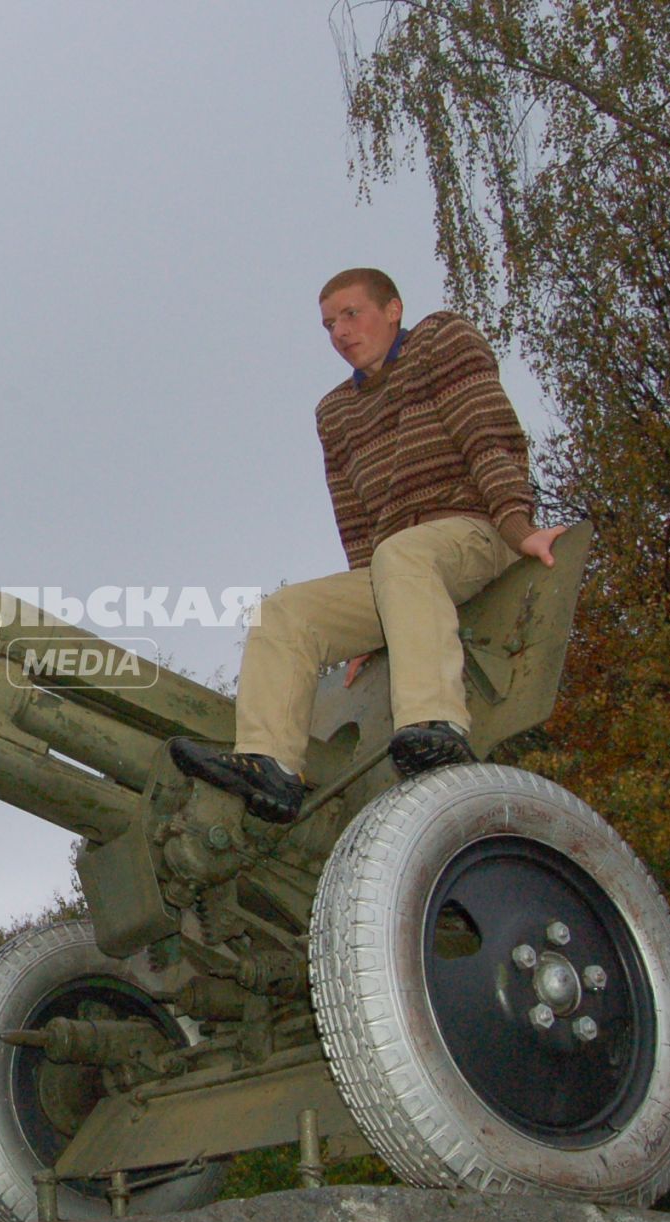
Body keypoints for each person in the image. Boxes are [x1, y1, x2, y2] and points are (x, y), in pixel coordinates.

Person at [171, 269, 565, 824]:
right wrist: (370, 622)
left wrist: (518, 525)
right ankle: (272, 768)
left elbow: (487, 432)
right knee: (282, 614)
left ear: (394, 309)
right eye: (329, 324)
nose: (339, 332)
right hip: (399, 564)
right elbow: (356, 518)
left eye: (351, 315)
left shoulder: (440, 341)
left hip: (475, 529)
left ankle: (436, 726)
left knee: (403, 554)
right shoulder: (335, 413)